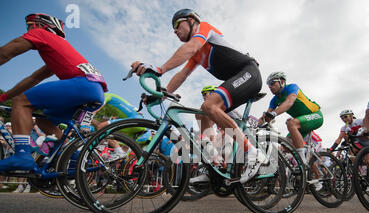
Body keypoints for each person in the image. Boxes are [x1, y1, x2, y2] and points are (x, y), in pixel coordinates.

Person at [131, 8, 265, 183]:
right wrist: (159, 96)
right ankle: (215, 165)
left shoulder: (205, 28)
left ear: (191, 20)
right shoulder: (195, 56)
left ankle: (252, 153)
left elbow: (191, 47)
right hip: (237, 78)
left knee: (209, 106)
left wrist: (159, 69)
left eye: (177, 25)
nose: (175, 31)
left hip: (248, 73)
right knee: (203, 116)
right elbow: (182, 75)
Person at [0, 13, 107, 172]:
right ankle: (70, 155)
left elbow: (5, 53)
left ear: (39, 25)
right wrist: (3, 97)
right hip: (95, 90)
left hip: (84, 85)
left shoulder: (42, 33)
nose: (27, 31)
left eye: (29, 26)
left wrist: (10, 98)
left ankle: (22, 155)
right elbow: (34, 78)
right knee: (45, 120)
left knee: (21, 102)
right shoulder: (60, 48)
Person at [258, 71, 324, 164]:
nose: (270, 86)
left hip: (316, 115)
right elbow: (266, 117)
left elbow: (289, 102)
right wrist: (254, 127)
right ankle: (302, 163)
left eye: (272, 83)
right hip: (301, 123)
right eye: (268, 85)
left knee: (291, 123)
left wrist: (274, 113)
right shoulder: (274, 100)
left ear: (282, 82)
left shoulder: (292, 87)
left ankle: (302, 162)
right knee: (285, 146)